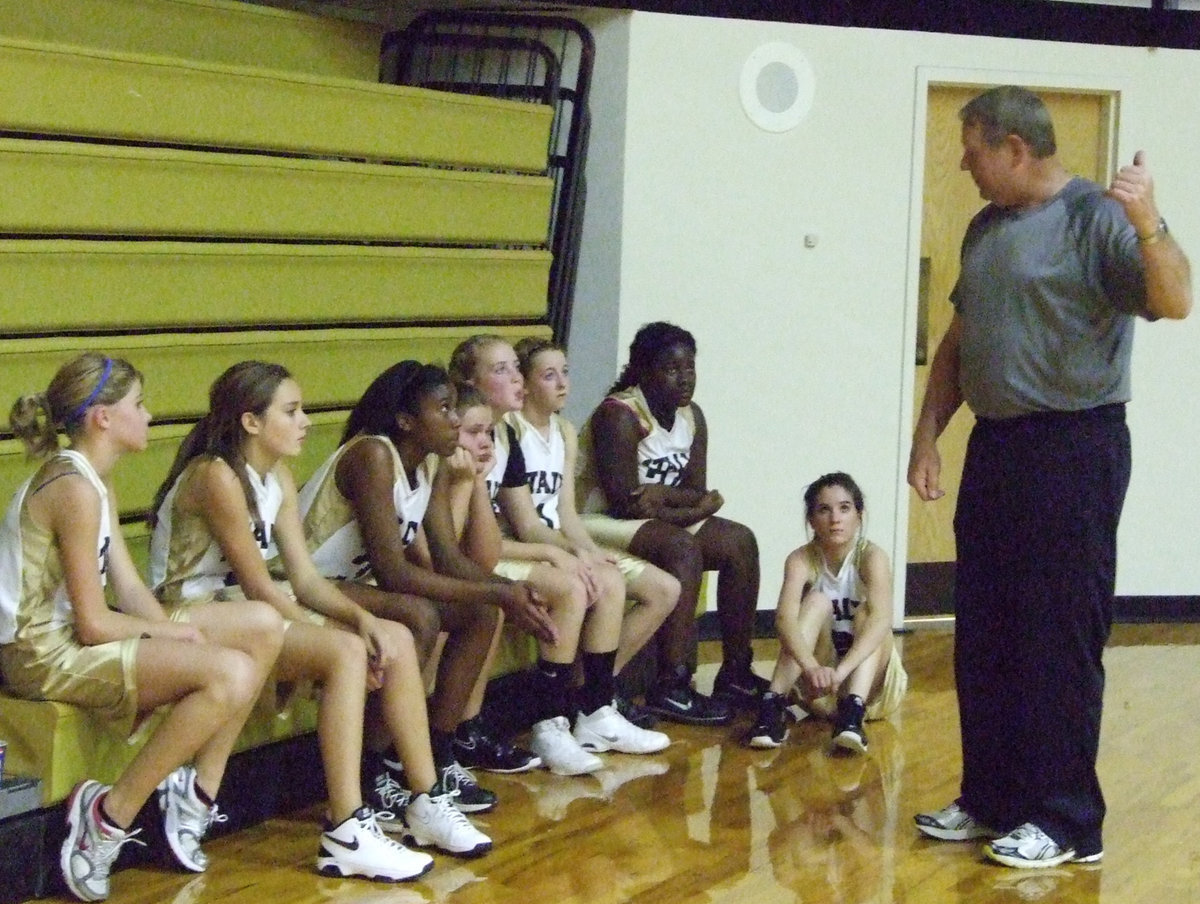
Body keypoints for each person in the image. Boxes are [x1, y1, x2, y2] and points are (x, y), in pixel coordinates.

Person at [907, 86, 1191, 869]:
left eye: (972, 149)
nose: (962, 163)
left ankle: (1068, 822)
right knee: (987, 632)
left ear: (1015, 148)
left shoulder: (1096, 217)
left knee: (1057, 637)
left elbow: (1176, 299)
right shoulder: (985, 227)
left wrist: (1150, 223)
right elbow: (962, 342)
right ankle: (992, 798)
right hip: (997, 450)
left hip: (1075, 448)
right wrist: (928, 436)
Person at [149, 361, 491, 880]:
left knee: (392, 637)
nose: (306, 420)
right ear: (251, 423)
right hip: (185, 610)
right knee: (348, 650)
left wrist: (361, 618)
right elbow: (260, 584)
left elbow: (305, 582)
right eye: (291, 411)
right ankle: (347, 824)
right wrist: (342, 632)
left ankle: (423, 797)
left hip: (242, 611)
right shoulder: (217, 476)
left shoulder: (278, 476)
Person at [0, 353, 284, 902]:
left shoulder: (94, 480)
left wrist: (173, 635)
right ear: (103, 418)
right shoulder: (73, 489)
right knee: (226, 675)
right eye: (138, 404)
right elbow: (91, 621)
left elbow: (128, 590)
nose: (150, 416)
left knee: (259, 629)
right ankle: (107, 817)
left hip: (67, 635)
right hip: (38, 652)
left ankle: (195, 792)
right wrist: (170, 639)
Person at [297, 361, 540, 817]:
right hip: (304, 586)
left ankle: (438, 751)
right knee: (417, 615)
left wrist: (510, 590)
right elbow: (395, 575)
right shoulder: (372, 455)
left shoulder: (430, 464)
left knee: (481, 615)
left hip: (352, 585)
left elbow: (449, 559)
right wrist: (497, 591)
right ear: (406, 420)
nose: (454, 420)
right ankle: (371, 773)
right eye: (444, 409)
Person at [448, 335, 670, 774]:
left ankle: (594, 710)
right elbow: (472, 541)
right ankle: (549, 723)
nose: (516, 378)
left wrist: (575, 552)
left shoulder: (504, 437)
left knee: (603, 578)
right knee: (571, 588)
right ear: (468, 383)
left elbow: (534, 520)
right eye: (503, 370)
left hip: (504, 547)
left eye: (516, 367)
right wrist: (554, 557)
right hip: (468, 558)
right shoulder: (465, 441)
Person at [576, 322, 766, 726]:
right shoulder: (619, 414)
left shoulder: (691, 416)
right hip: (596, 520)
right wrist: (691, 510)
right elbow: (624, 502)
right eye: (671, 369)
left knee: (740, 543)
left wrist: (659, 496)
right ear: (644, 371)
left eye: (690, 368)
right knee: (682, 546)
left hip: (651, 518)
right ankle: (672, 684)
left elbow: (695, 489)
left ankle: (735, 671)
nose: (684, 378)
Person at [509, 336, 679, 728]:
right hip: (532, 546)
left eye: (565, 373)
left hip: (561, 539)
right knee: (598, 583)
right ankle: (585, 704)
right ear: (527, 384)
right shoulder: (510, 430)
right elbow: (527, 525)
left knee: (663, 589)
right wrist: (576, 555)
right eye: (549, 375)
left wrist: (587, 548)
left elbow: (566, 512)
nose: (562, 383)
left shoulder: (565, 431)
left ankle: (591, 694)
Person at [743, 472, 906, 753]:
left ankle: (852, 718)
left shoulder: (871, 557)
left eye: (844, 508)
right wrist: (812, 668)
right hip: (818, 686)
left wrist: (841, 672)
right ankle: (772, 708)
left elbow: (882, 621)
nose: (835, 518)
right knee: (816, 601)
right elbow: (783, 621)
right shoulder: (800, 559)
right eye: (824, 510)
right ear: (811, 520)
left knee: (870, 613)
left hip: (872, 690)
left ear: (859, 515)